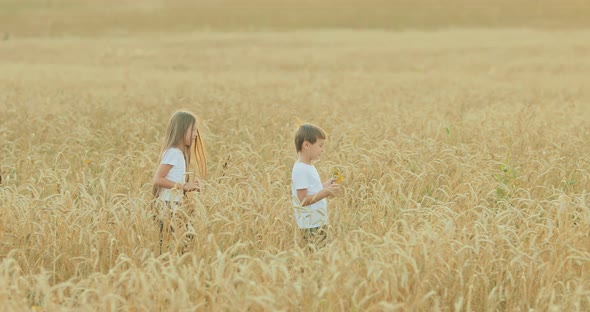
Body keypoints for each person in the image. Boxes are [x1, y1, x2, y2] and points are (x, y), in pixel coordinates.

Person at [152, 110, 207, 253]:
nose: (196, 134)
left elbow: (173, 178)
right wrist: (183, 186)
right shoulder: (174, 153)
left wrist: (191, 186)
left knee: (180, 243)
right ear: (182, 130)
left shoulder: (178, 153)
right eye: (193, 130)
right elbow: (158, 179)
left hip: (174, 205)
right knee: (179, 244)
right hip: (168, 206)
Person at [291, 123, 340, 248]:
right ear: (306, 145)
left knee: (323, 253)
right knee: (317, 255)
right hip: (310, 224)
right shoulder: (300, 170)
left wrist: (325, 186)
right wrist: (326, 193)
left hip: (318, 220)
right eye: (320, 145)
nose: (322, 149)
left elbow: (311, 191)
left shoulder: (308, 166)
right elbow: (302, 200)